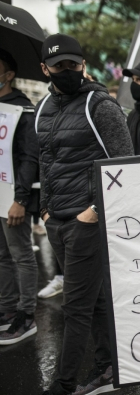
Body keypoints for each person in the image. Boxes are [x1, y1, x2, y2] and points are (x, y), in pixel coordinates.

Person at [35, 34, 134, 395]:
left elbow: (124, 165)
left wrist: (93, 212)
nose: (67, 71)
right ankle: (109, 367)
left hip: (87, 223)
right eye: (59, 66)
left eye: (73, 65)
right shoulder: (44, 107)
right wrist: (45, 210)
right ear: (44, 68)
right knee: (93, 301)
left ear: (83, 66)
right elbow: (47, 163)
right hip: (57, 222)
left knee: (75, 307)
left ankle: (63, 385)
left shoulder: (101, 106)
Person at [0, 49, 40, 345]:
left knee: (21, 255)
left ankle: (26, 316)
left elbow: (29, 157)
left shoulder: (22, 109)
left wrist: (21, 200)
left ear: (9, 75)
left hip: (12, 197)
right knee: (2, 256)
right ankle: (6, 310)